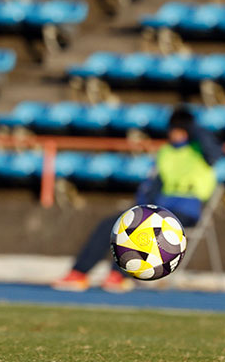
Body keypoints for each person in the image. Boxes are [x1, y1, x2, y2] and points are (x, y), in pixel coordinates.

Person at [53, 106, 221, 293]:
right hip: (159, 206)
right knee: (110, 224)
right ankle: (79, 273)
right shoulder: (165, 152)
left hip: (186, 210)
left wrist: (191, 126)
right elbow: (152, 184)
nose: (176, 134)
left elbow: (213, 150)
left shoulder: (201, 150)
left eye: (181, 129)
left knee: (146, 228)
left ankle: (119, 275)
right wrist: (138, 207)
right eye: (174, 129)